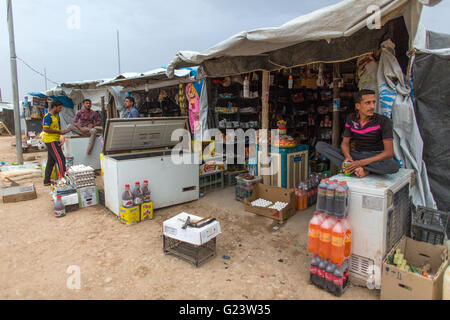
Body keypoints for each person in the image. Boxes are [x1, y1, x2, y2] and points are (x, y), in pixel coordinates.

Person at [315, 89, 400, 178]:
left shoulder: (383, 121)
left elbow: (389, 152)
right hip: (357, 154)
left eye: (374, 102)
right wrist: (348, 158)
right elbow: (345, 143)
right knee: (320, 146)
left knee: (393, 166)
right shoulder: (351, 119)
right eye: (368, 103)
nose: (372, 106)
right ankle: (356, 168)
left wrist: (360, 163)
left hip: (375, 156)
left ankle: (364, 170)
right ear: (358, 106)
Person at [42, 100, 71, 186]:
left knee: (51, 161)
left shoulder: (55, 116)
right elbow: (45, 129)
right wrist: (59, 132)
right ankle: (63, 179)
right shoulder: (48, 116)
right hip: (51, 141)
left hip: (54, 140)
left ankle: (46, 180)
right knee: (61, 159)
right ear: (54, 107)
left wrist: (60, 133)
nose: (61, 109)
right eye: (59, 107)